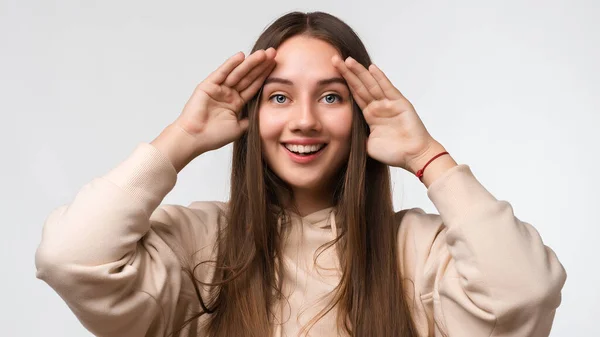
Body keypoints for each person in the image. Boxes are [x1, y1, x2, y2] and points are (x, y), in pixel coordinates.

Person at [34, 11, 566, 337]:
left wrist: (429, 156)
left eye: (331, 96)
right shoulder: (198, 243)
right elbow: (70, 259)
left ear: (360, 115)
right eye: (280, 97)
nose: (305, 119)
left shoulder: (418, 250)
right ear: (250, 113)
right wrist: (178, 141)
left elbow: (524, 297)